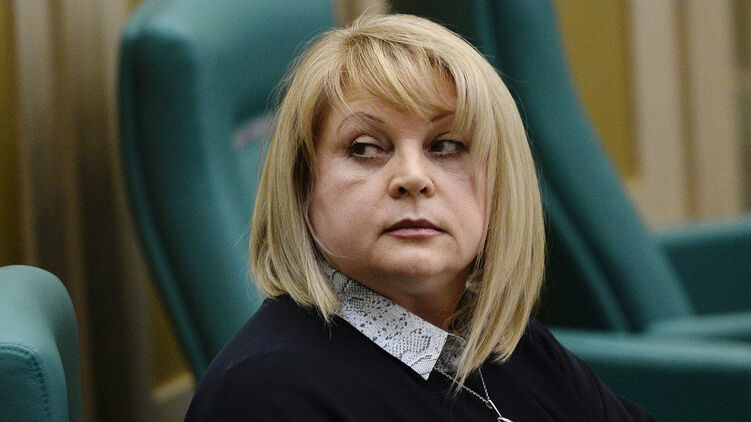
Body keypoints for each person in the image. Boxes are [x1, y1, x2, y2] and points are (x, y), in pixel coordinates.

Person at [184, 14, 654, 421]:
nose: (412, 177)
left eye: (446, 145)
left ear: (500, 186)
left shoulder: (498, 339)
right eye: (364, 148)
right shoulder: (268, 395)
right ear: (303, 187)